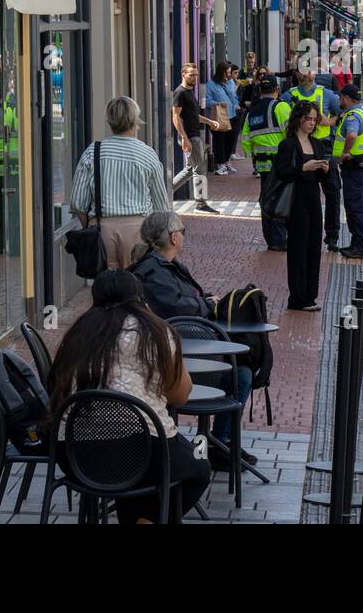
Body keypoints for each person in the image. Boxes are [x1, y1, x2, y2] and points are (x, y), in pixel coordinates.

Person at [47, 269, 209, 522]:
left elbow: (55, 387)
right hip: (145, 451)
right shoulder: (155, 331)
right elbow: (181, 394)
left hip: (75, 455)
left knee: (142, 468)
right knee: (198, 467)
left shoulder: (78, 333)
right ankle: (146, 520)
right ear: (139, 296)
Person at [130, 212, 256, 468]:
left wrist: (207, 300)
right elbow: (175, 308)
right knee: (241, 374)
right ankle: (219, 442)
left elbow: (184, 300)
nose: (184, 237)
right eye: (183, 232)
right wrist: (206, 304)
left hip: (186, 352)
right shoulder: (154, 270)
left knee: (245, 365)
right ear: (174, 237)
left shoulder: (166, 265)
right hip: (180, 363)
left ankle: (221, 441)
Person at [70, 97, 171, 269]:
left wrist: (90, 225)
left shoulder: (93, 151)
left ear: (109, 120)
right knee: (136, 284)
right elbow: (161, 206)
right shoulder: (147, 154)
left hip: (101, 228)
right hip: (138, 230)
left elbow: (77, 203)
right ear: (135, 120)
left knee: (105, 286)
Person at [273, 102, 331, 311]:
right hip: (295, 199)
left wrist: (325, 168)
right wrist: (302, 167)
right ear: (298, 119)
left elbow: (327, 176)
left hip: (313, 197)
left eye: (314, 119)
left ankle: (310, 295)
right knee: (298, 247)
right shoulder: (288, 145)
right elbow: (281, 172)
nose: (311, 123)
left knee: (314, 246)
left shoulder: (317, 144)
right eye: (308, 119)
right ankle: (297, 297)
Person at [282, 69, 342, 250]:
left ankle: (331, 236)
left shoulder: (326, 94)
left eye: (309, 71)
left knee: (332, 192)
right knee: (294, 190)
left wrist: (329, 122)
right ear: (296, 73)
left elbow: (342, 112)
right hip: (298, 148)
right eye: (301, 71)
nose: (306, 75)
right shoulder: (289, 95)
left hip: (323, 148)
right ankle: (292, 230)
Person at [241, 76, 291, 250]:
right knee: (280, 201)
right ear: (277, 90)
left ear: (260, 91)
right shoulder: (281, 107)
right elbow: (291, 134)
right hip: (280, 166)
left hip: (262, 166)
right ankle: (279, 240)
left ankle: (271, 239)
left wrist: (254, 156)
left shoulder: (252, 112)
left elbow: (246, 140)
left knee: (267, 201)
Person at [172, 64, 223, 215]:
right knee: (198, 169)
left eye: (195, 75)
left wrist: (209, 121)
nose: (194, 77)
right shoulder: (179, 93)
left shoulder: (189, 92)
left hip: (194, 135)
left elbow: (193, 115)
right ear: (183, 75)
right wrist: (184, 138)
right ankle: (200, 204)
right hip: (190, 137)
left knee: (190, 170)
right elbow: (175, 117)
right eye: (191, 75)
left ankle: (164, 193)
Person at [333, 84, 363, 260]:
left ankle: (360, 246)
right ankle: (357, 243)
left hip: (353, 165)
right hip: (360, 164)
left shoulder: (352, 116)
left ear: (347, 98)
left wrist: (345, 153)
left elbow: (351, 135)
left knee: (355, 206)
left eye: (341, 97)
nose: (339, 100)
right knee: (358, 205)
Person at [205, 62, 239, 175]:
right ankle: (220, 164)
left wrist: (236, 104)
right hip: (219, 116)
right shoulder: (211, 84)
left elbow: (233, 96)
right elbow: (208, 101)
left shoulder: (230, 82)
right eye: (228, 72)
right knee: (219, 140)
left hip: (232, 115)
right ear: (222, 72)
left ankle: (226, 162)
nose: (229, 75)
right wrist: (218, 103)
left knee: (231, 140)